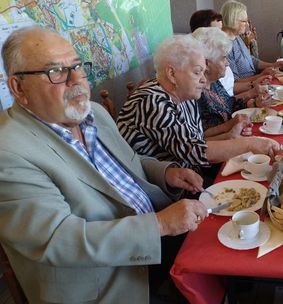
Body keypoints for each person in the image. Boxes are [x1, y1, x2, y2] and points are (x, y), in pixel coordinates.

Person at [0, 26, 208, 303]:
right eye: (56, 72)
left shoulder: (93, 113)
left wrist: (166, 172)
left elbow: (130, 164)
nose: (77, 80)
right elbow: (58, 239)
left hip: (154, 237)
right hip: (107, 280)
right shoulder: (9, 152)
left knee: (226, 251)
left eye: (77, 66)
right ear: (18, 87)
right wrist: (159, 225)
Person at [116, 34, 279, 178]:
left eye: (202, 72)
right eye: (196, 72)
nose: (203, 79)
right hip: (159, 195)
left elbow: (197, 141)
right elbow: (196, 152)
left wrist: (230, 134)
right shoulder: (151, 100)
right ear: (172, 74)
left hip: (191, 179)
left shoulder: (184, 95)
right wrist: (250, 143)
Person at [192, 27, 271, 133]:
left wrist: (255, 104)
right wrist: (230, 126)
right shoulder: (194, 92)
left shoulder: (213, 82)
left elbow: (229, 104)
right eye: (223, 58)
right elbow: (200, 135)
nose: (227, 63)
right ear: (207, 63)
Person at [220, 0, 283, 82]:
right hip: (248, 88)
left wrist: (274, 65)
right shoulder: (224, 46)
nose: (247, 25)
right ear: (233, 20)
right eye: (244, 21)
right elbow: (234, 83)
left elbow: (251, 60)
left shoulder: (236, 37)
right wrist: (261, 75)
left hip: (255, 80)